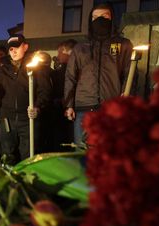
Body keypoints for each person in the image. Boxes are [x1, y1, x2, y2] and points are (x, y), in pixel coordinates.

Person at [64, 4, 133, 145]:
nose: (99, 20)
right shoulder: (81, 48)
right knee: (82, 153)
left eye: (104, 16)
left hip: (111, 108)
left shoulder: (123, 45)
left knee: (109, 151)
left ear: (112, 19)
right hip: (84, 108)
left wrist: (125, 95)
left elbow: (130, 72)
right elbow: (71, 76)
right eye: (95, 17)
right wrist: (69, 104)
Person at [0, 34, 52, 163]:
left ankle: (27, 183)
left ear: (25, 47)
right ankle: (10, 183)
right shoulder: (3, 70)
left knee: (29, 158)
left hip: (28, 120)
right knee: (7, 158)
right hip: (7, 121)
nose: (14, 51)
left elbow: (44, 91)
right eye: (11, 49)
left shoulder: (36, 66)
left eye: (17, 47)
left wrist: (38, 107)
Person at [51, 39, 77, 151]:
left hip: (65, 111)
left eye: (59, 52)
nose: (58, 56)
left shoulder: (67, 70)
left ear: (64, 51)